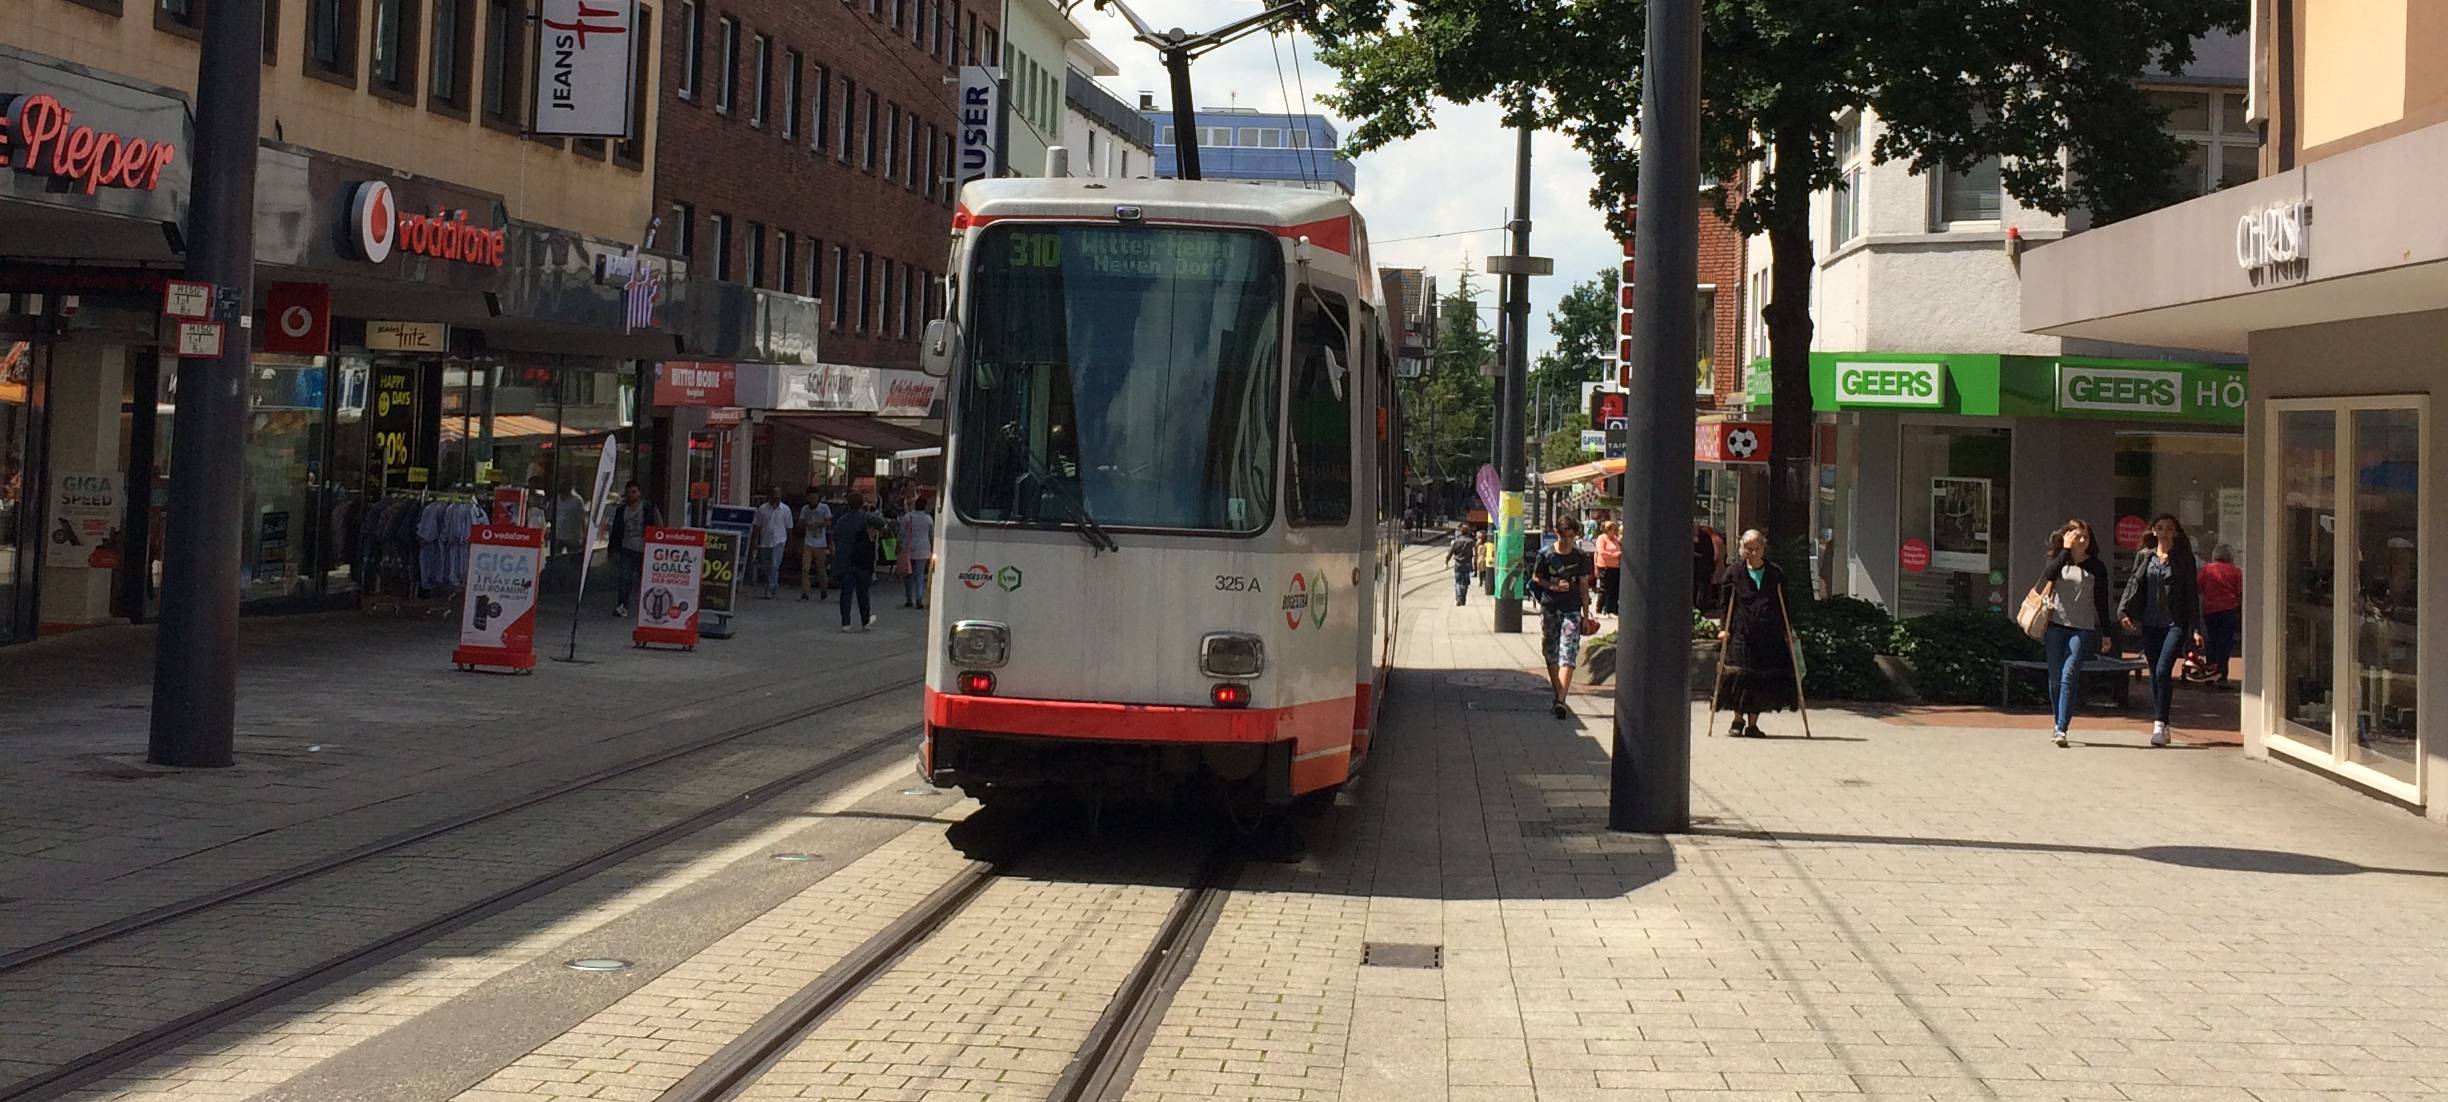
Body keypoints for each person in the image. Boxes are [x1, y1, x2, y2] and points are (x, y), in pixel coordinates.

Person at [2120, 513, 2202, 747]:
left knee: (2164, 670)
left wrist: (2195, 627)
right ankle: (2163, 725)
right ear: (2153, 531)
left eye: (2169, 529)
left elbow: (2191, 595)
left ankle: (2159, 722)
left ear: (2176, 533)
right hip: (2150, 622)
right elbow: (2134, 585)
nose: (2165, 532)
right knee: (2155, 672)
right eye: (2160, 528)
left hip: (2174, 623)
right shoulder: (2145, 557)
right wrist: (2124, 612)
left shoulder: (2184, 559)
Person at [2036, 519, 2117, 748]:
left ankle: (2062, 728)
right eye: (2077, 536)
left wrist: (2106, 633)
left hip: (2082, 628)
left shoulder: (2097, 567)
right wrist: (2065, 550)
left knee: (2069, 675)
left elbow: (2102, 601)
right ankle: (2057, 723)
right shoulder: (2059, 559)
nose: (2082, 540)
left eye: (2086, 537)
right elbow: (2049, 574)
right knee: (2054, 679)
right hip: (2056, 625)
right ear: (2068, 537)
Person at [1713, 530, 1798, 737]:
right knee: (1740, 675)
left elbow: (1783, 604)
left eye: (1755, 549)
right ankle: (1737, 720)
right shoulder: (1733, 573)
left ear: (1763, 548)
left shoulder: (1775, 574)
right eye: (1747, 548)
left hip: (1768, 634)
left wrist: (1788, 629)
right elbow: (1725, 604)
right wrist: (1724, 628)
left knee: (1761, 677)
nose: (1750, 553)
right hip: (1742, 632)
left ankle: (1753, 723)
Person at [1530, 517, 1594, 718]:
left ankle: (1560, 700)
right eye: (1563, 536)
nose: (1567, 541)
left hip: (1572, 609)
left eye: (1571, 537)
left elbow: (1584, 585)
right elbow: (1536, 577)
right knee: (1551, 651)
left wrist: (1585, 613)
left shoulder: (1581, 556)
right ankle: (1559, 693)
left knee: (1569, 651)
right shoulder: (1546, 554)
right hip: (1550, 607)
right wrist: (1554, 587)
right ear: (1556, 533)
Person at [828, 492, 887, 632]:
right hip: (862, 559)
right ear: (861, 504)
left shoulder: (841, 521)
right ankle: (865, 620)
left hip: (845, 560)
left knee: (846, 593)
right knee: (863, 592)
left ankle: (845, 622)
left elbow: (834, 537)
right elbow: (882, 522)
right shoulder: (865, 518)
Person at [603, 481, 660, 618]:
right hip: (627, 548)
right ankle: (622, 606)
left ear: (639, 493)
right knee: (624, 577)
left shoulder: (648, 508)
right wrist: (612, 549)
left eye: (634, 492)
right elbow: (616, 531)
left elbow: (658, 524)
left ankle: (649, 606)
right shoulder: (622, 510)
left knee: (645, 579)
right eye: (628, 492)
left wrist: (657, 542)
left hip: (644, 549)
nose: (631, 495)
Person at [2196, 545, 2243, 687]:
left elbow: (2198, 587)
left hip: (2210, 610)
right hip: (2229, 609)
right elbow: (2240, 591)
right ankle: (2222, 674)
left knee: (2211, 641)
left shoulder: (2207, 570)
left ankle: (2211, 672)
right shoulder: (2236, 571)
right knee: (2225, 642)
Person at [752, 486, 794, 599]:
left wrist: (789, 544)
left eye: (779, 495)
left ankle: (770, 588)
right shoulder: (762, 509)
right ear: (770, 496)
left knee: (774, 565)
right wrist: (755, 540)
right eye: (775, 495)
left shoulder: (785, 510)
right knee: (766, 566)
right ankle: (773, 584)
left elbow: (789, 527)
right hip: (765, 542)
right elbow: (757, 526)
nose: (777, 497)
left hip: (779, 541)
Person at [898, 497, 935, 609]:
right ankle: (919, 598)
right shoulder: (928, 519)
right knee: (919, 575)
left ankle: (909, 599)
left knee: (908, 575)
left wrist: (898, 544)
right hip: (924, 549)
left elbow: (901, 532)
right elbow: (931, 535)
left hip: (908, 548)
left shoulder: (908, 517)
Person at [798, 487, 833, 601]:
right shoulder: (805, 509)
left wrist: (819, 524)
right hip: (808, 541)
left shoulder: (824, 508)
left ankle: (823, 589)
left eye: (815, 497)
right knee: (805, 568)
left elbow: (829, 522)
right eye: (811, 497)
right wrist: (806, 524)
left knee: (821, 568)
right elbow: (801, 523)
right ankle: (805, 592)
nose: (813, 500)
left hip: (820, 542)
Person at [1594, 521, 1624, 617]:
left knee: (1614, 589)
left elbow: (1620, 548)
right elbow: (1602, 552)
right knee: (1604, 589)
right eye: (1612, 530)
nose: (1614, 532)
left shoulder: (1615, 539)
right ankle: (1599, 609)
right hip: (1605, 566)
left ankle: (1611, 609)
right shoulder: (1601, 538)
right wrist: (1615, 555)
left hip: (1615, 567)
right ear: (1607, 530)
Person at [1446, 525, 1476, 606]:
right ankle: (1463, 599)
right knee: (1465, 582)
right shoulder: (1471, 542)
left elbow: (1450, 553)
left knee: (1458, 582)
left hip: (1458, 564)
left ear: (1460, 532)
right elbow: (1474, 554)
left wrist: (1447, 561)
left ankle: (1459, 597)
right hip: (1467, 564)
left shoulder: (1456, 541)